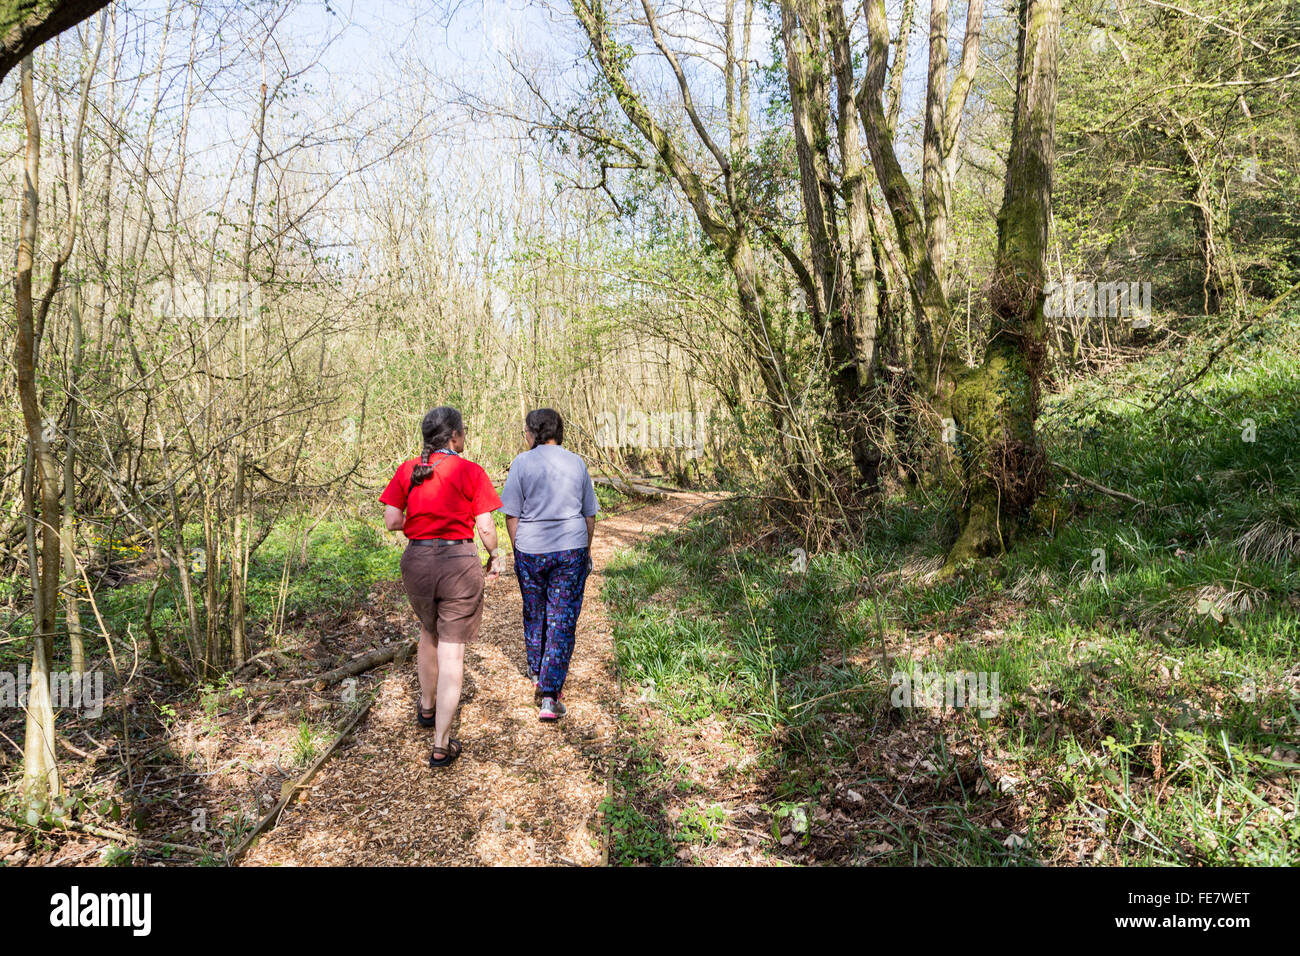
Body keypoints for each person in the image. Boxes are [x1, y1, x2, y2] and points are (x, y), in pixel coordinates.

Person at [380, 406, 502, 768]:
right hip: (458, 565)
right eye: (463, 431)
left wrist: (422, 524)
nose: (465, 436)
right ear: (454, 437)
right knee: (452, 653)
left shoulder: (407, 469)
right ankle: (440, 744)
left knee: (427, 632)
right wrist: (495, 555)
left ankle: (427, 706)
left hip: (416, 562)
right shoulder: (470, 471)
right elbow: (485, 527)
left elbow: (391, 521)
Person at [500, 408, 599, 721]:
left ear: (533, 432)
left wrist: (519, 551)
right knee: (562, 617)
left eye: (526, 431)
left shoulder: (521, 463)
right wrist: (586, 551)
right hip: (571, 548)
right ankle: (549, 694)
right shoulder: (576, 462)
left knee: (535, 611)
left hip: (531, 548)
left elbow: (511, 515)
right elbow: (589, 515)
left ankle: (536, 671)